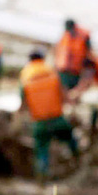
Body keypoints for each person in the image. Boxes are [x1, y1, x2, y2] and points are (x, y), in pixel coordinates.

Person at [19, 48, 79, 179]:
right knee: (70, 139)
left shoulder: (25, 75)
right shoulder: (51, 71)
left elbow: (23, 103)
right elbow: (64, 95)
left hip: (39, 121)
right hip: (57, 118)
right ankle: (77, 161)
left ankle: (42, 175)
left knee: (41, 150)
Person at [54, 19, 91, 90]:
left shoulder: (83, 35)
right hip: (64, 68)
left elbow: (88, 51)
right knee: (62, 89)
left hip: (75, 69)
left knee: (70, 89)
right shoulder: (66, 34)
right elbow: (59, 49)